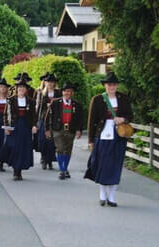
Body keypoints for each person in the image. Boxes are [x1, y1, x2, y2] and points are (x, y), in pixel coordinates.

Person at [85, 72, 133, 207]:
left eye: (114, 84)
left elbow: (130, 115)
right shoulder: (98, 99)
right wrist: (90, 140)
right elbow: (91, 121)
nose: (111, 87)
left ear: (117, 85)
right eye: (109, 84)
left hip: (119, 136)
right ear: (105, 86)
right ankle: (102, 193)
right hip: (102, 136)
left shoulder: (123, 98)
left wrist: (123, 119)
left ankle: (112, 196)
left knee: (115, 166)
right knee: (103, 165)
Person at [0, 79, 37, 180]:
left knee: (23, 148)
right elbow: (5, 115)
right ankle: (15, 169)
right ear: (17, 89)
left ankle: (19, 170)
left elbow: (34, 116)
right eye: (19, 87)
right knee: (14, 148)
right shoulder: (11, 100)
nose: (21, 89)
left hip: (25, 127)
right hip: (14, 127)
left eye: (23, 88)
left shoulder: (31, 101)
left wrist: (34, 126)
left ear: (26, 90)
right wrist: (7, 127)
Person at [45, 83, 84, 180]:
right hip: (58, 129)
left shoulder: (77, 105)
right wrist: (47, 129)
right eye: (66, 91)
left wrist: (79, 130)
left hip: (71, 129)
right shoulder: (55, 102)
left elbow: (81, 119)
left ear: (72, 93)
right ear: (62, 92)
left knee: (68, 150)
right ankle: (62, 170)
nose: (68, 93)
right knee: (60, 148)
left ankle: (65, 168)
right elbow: (47, 116)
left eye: (70, 91)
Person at [36, 74, 61, 170]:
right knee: (43, 139)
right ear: (45, 83)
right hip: (44, 118)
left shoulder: (58, 93)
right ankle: (44, 158)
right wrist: (37, 121)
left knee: (52, 141)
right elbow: (38, 107)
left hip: (55, 119)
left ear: (54, 83)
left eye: (51, 82)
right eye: (48, 82)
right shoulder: (42, 93)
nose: (50, 84)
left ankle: (50, 160)